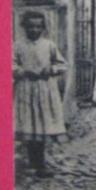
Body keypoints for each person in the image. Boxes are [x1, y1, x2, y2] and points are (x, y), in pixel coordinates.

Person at [13, 9, 67, 178]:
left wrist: (51, 70)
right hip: (26, 90)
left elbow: (63, 65)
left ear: (43, 28)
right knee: (29, 124)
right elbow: (9, 65)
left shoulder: (49, 45)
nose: (34, 30)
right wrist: (23, 71)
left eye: (38, 27)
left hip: (45, 89)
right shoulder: (18, 45)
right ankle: (31, 163)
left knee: (42, 124)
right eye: (31, 27)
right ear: (24, 27)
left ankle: (41, 164)